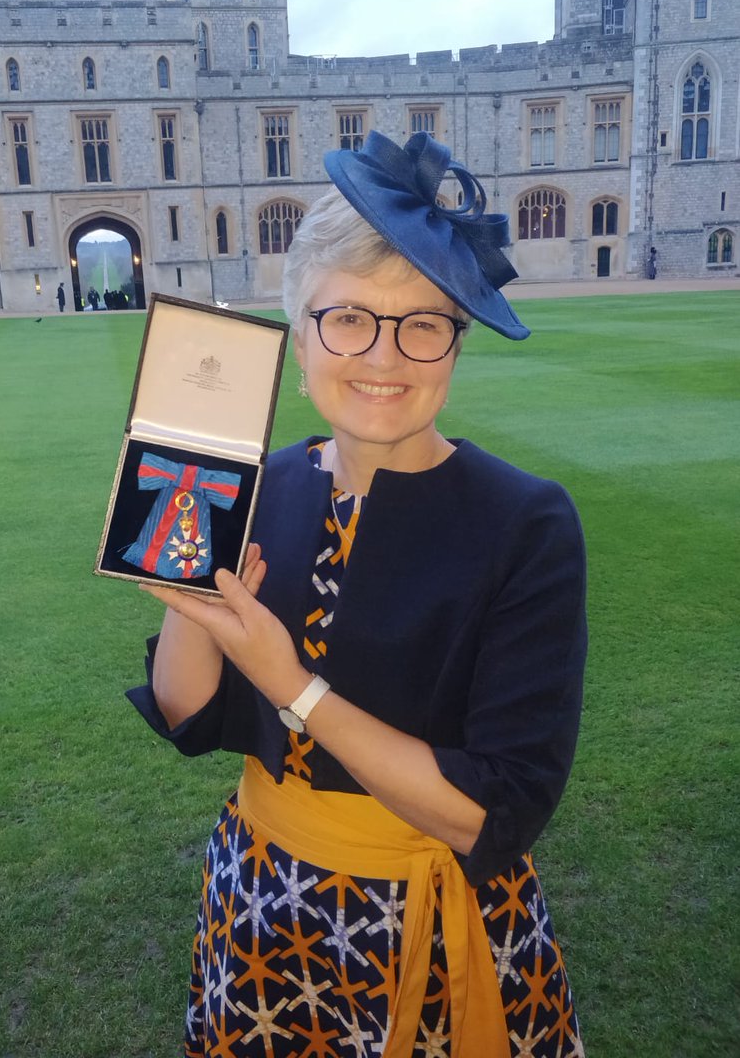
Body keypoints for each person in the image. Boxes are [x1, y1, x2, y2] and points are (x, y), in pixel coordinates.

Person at [128, 131, 587, 1058]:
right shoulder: (255, 486)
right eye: (347, 318)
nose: (385, 355)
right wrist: (187, 600)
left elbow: (491, 811)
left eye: (423, 322)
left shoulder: (524, 523)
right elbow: (189, 715)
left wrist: (290, 683)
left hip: (427, 920)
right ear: (300, 337)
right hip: (260, 909)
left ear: (455, 343)